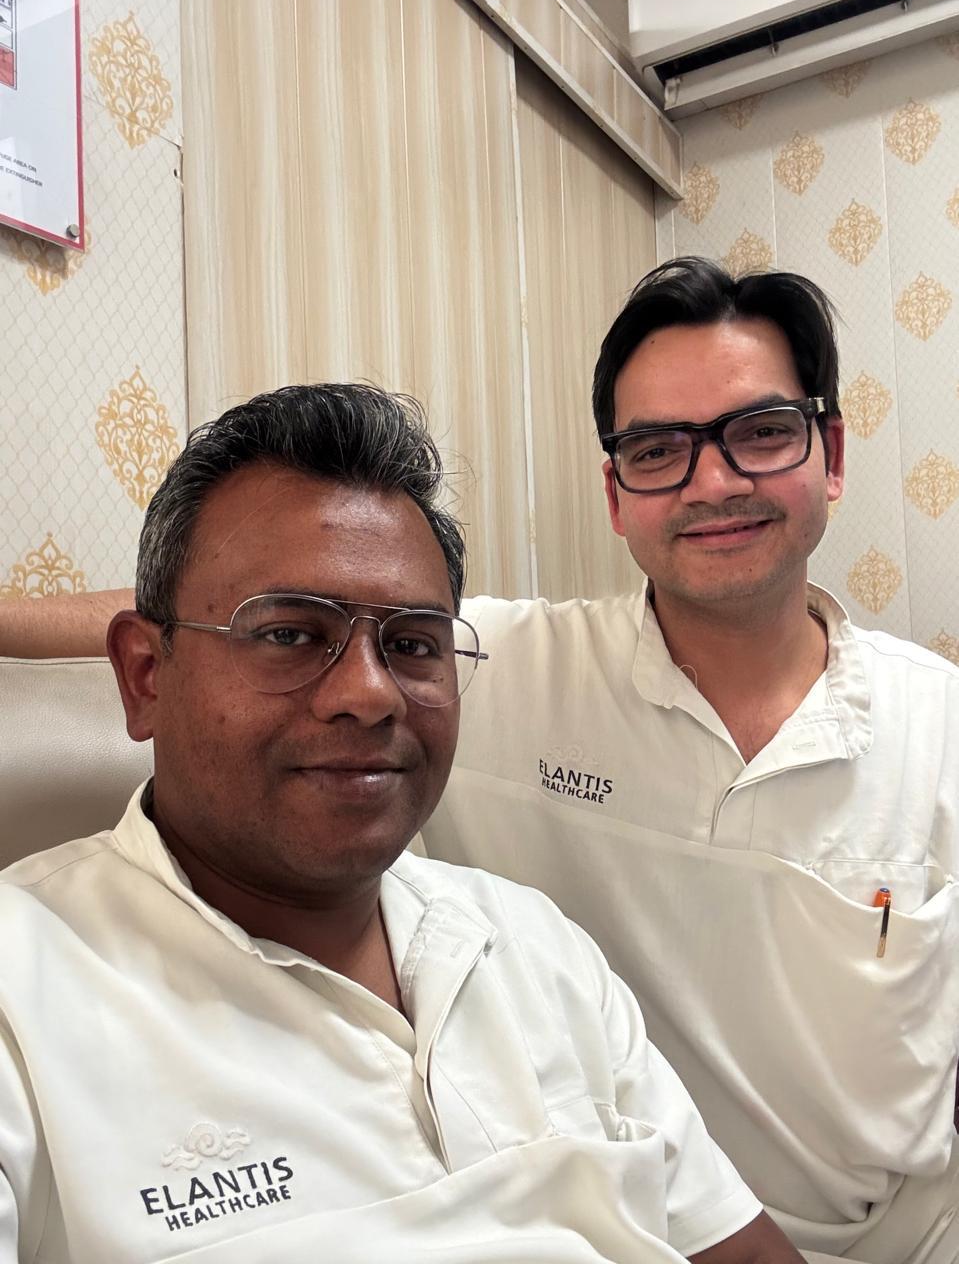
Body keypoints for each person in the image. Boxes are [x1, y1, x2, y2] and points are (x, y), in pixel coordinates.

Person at [3, 260, 957, 1261]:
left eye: (759, 432)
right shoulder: (525, 663)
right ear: (615, 491)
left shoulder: (535, 945)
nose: (712, 481)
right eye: (656, 448)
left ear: (828, 453)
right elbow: (211, 606)